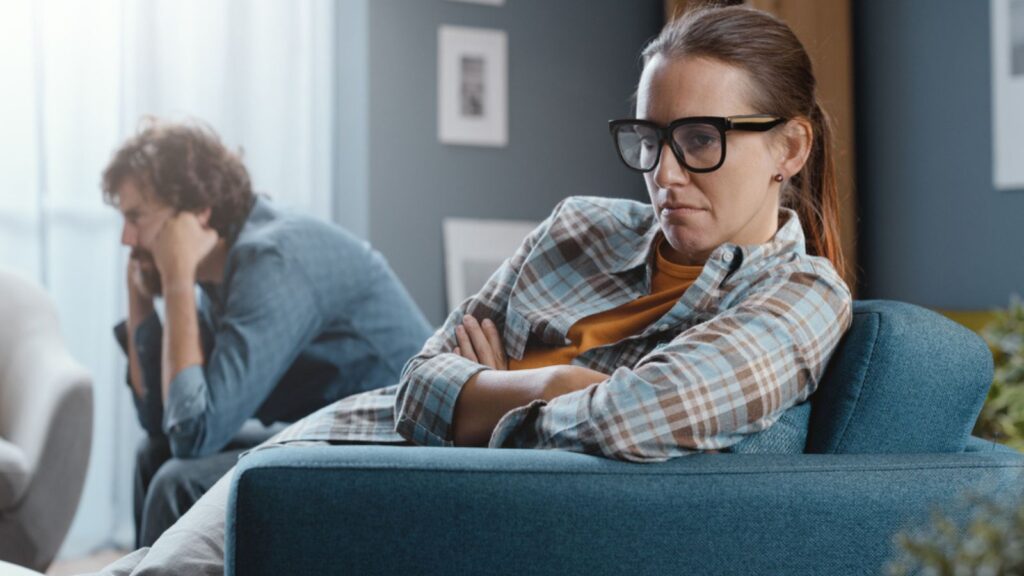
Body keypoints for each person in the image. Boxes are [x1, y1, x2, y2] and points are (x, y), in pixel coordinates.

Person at [87, 5, 852, 574]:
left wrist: (495, 384)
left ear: (788, 147)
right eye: (649, 141)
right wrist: (556, 385)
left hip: (456, 506)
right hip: (344, 446)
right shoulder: (579, 227)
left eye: (699, 140)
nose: (665, 174)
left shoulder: (802, 296)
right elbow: (418, 380)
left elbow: (638, 416)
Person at [104, 120, 433, 547]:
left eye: (136, 218)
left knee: (178, 481)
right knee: (153, 457)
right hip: (329, 434)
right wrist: (142, 303)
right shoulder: (219, 272)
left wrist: (177, 280)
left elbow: (193, 433)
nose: (125, 238)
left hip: (395, 445)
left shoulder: (271, 260)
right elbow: (162, 424)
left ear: (197, 211)